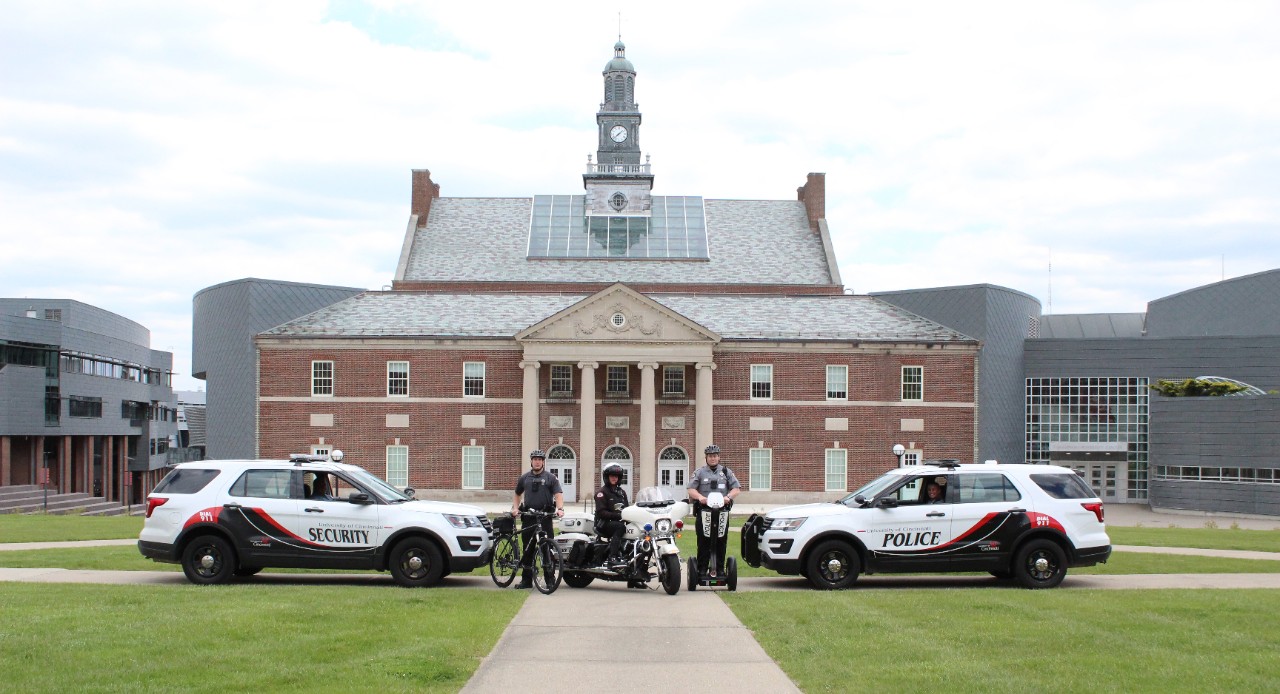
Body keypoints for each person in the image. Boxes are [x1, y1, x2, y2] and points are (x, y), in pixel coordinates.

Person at [511, 449, 564, 589]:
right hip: (529, 517)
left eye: (540, 459)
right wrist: (515, 508)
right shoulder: (524, 478)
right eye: (535, 459)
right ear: (531, 461)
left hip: (544, 518)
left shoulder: (550, 478)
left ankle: (550, 580)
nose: (537, 462)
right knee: (527, 550)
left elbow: (558, 494)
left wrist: (560, 509)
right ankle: (526, 581)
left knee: (547, 549)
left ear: (543, 462)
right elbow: (517, 494)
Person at [686, 444, 741, 577]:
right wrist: (700, 497)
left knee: (721, 540)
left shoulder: (726, 472)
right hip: (705, 511)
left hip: (721, 512)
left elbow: (736, 488)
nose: (713, 458)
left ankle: (720, 569)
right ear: (706, 458)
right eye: (710, 456)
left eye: (715, 456)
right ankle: (702, 569)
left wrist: (728, 497)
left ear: (719, 457)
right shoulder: (699, 472)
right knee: (703, 540)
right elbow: (690, 489)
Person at [594, 464, 630, 568]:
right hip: (603, 524)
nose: (614, 478)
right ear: (607, 477)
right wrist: (618, 516)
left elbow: (627, 508)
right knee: (620, 527)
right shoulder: (601, 493)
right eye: (612, 476)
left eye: (616, 476)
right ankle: (612, 557)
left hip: (617, 522)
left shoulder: (622, 493)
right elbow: (601, 512)